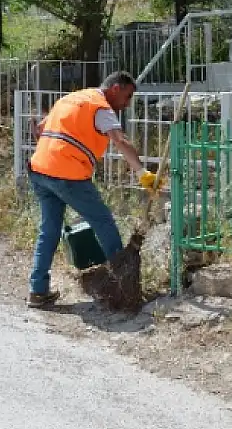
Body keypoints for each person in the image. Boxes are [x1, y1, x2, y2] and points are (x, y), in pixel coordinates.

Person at [25, 71, 161, 309]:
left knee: (49, 230)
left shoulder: (71, 99)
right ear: (115, 89)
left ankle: (37, 291)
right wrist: (142, 173)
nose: (127, 104)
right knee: (103, 221)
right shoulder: (101, 108)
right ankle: (124, 284)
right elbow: (120, 141)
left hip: (39, 169)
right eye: (127, 97)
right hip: (67, 174)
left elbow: (40, 129)